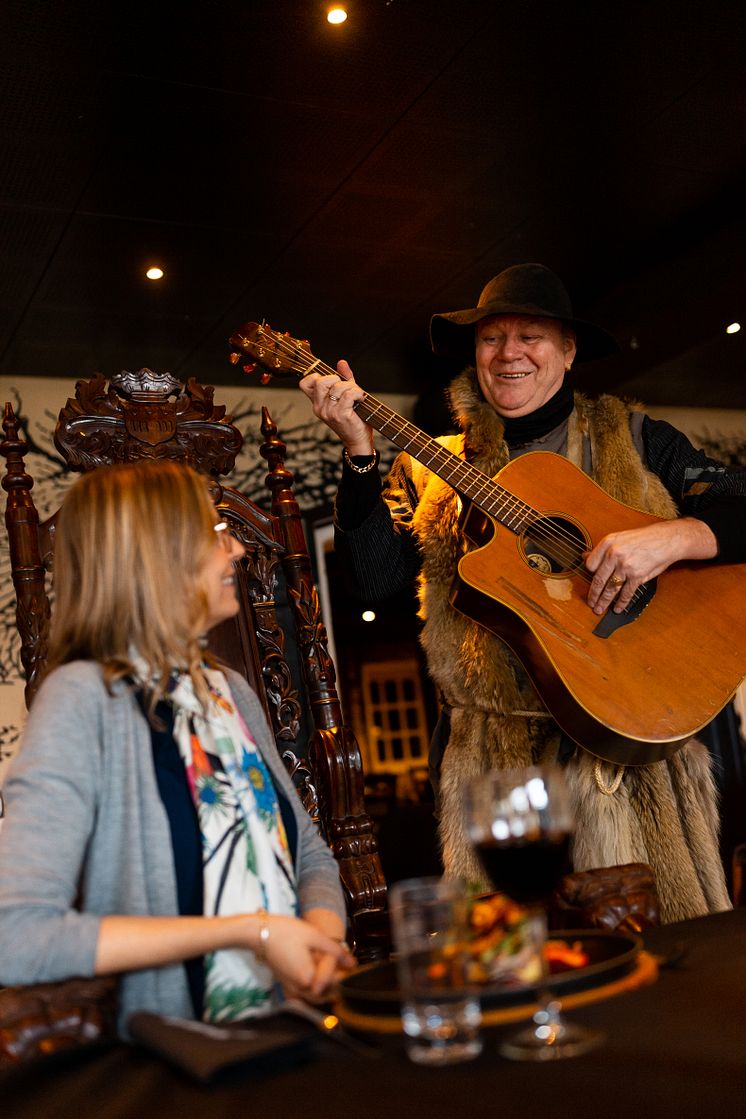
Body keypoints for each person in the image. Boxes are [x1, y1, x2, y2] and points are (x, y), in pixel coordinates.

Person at [299, 262, 746, 923]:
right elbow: (376, 580)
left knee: (660, 968)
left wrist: (671, 539)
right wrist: (360, 457)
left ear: (568, 351)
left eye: (530, 335)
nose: (509, 353)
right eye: (491, 338)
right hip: (497, 770)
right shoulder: (430, 464)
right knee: (520, 963)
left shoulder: (641, 440)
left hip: (632, 750)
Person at [0, 459, 354, 1034]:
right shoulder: (82, 699)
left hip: (293, 1029)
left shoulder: (228, 691)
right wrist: (253, 930)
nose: (237, 550)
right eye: (216, 534)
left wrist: (320, 941)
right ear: (155, 555)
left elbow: (310, 854)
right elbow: (14, 936)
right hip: (179, 1061)